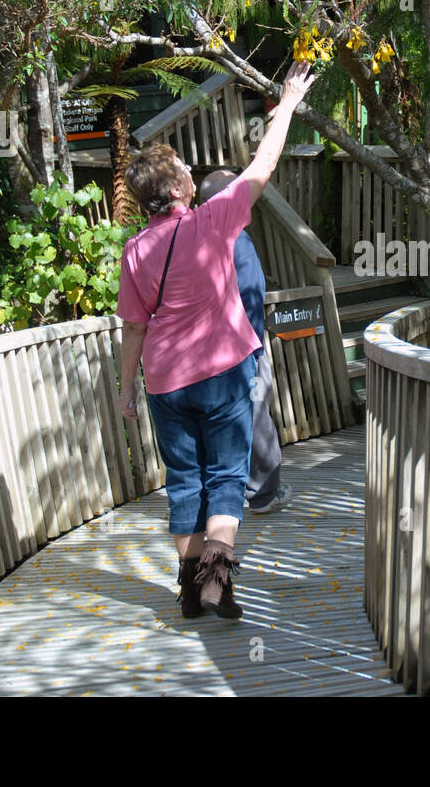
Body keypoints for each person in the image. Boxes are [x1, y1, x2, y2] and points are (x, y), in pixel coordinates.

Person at [115, 61, 317, 620]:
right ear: (180, 188)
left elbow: (133, 327)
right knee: (227, 477)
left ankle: (188, 587)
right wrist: (288, 105)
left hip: (165, 382)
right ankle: (215, 587)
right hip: (225, 371)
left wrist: (126, 389)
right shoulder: (215, 220)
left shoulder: (134, 252)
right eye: (183, 166)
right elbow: (262, 165)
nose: (188, 169)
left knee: (185, 481)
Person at [198, 169, 293, 516]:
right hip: (241, 349)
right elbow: (251, 301)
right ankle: (264, 494)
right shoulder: (238, 241)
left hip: (203, 354)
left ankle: (219, 494)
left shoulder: (194, 238)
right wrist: (253, 354)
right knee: (255, 416)